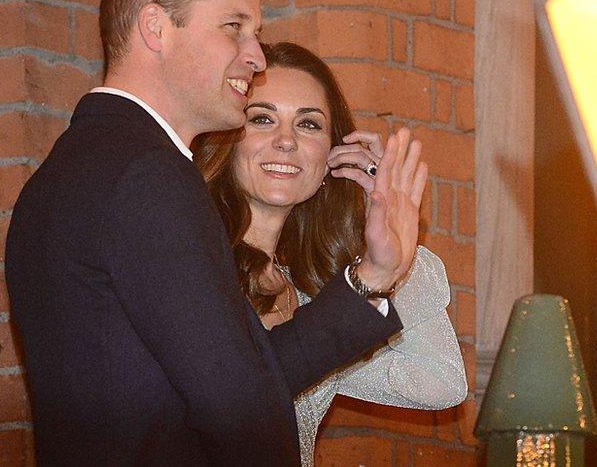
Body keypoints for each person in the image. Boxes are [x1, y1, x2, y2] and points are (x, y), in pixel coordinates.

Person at [5, 0, 427, 465]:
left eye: (256, 35)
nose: (254, 56)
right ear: (155, 28)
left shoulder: (82, 164)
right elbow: (241, 416)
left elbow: (238, 379)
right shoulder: (147, 174)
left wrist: (372, 275)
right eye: (235, 28)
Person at [192, 42, 467, 465]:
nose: (286, 141)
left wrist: (380, 231)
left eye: (308, 125)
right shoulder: (192, 265)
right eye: (262, 119)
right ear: (227, 139)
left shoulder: (311, 299)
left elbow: (441, 382)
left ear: (331, 159)